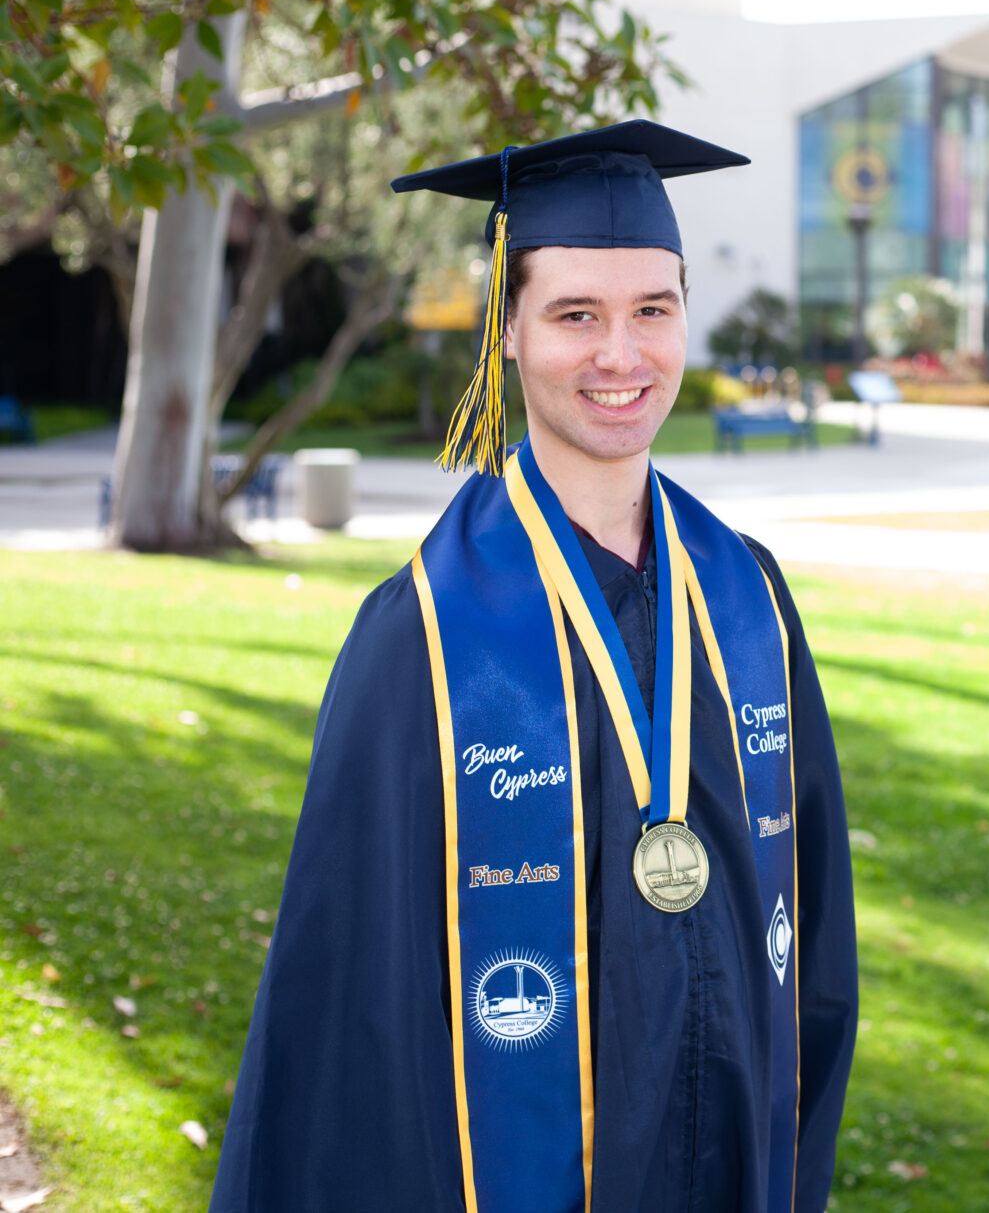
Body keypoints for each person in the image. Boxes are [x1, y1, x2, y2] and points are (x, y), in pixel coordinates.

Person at [209, 121, 858, 1213]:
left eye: (652, 309)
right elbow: (350, 1006)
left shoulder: (747, 597)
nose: (621, 354)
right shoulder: (421, 635)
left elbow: (817, 936)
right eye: (574, 315)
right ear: (505, 334)